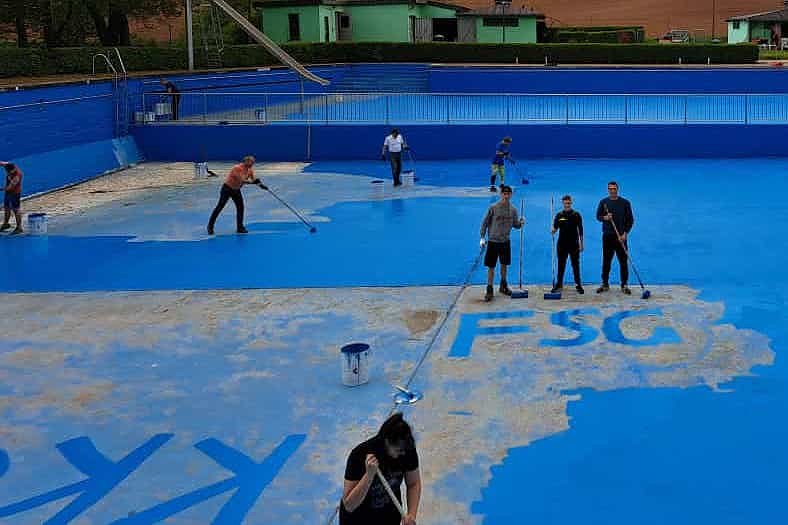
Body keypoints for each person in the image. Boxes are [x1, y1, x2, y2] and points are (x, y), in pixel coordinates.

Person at [340, 413, 421, 525]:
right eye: (398, 450)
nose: (403, 454)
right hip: (358, 519)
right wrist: (369, 475)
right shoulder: (359, 455)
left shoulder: (406, 450)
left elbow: (413, 483)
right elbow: (349, 505)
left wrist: (411, 515)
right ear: (387, 441)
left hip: (388, 517)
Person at [480, 185, 525, 302]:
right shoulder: (493, 207)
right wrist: (482, 237)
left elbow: (515, 225)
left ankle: (503, 285)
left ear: (511, 195)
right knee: (491, 266)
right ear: (501, 194)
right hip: (493, 241)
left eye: (508, 194)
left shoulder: (513, 210)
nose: (506, 196)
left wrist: (521, 223)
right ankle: (489, 289)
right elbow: (485, 223)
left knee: (504, 265)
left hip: (505, 241)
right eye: (504, 194)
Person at [207, 156, 266, 235]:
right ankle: (210, 227)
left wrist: (261, 185)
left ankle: (240, 228)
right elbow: (242, 180)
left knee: (240, 208)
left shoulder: (250, 170)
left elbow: (253, 179)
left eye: (253, 162)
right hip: (227, 189)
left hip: (236, 190)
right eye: (251, 162)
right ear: (246, 161)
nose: (252, 164)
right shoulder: (237, 168)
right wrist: (253, 183)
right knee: (220, 207)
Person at [595, 181, 635, 295]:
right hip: (608, 236)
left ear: (617, 189)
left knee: (623, 261)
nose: (612, 190)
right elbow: (598, 216)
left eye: (614, 188)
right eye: (610, 189)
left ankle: (624, 285)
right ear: (608, 190)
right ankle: (605, 284)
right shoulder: (604, 202)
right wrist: (605, 217)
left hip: (621, 237)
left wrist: (625, 234)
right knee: (606, 261)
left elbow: (630, 220)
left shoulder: (625, 203)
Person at [551, 195, 584, 294]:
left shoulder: (576, 215)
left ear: (571, 203)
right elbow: (555, 228)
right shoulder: (559, 216)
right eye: (565, 203)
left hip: (574, 244)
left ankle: (578, 284)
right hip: (562, 244)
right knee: (561, 265)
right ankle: (559, 284)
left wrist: (581, 244)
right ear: (563, 203)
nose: (567, 205)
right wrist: (553, 230)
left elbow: (581, 230)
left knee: (575, 265)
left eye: (569, 203)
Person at [1, 161, 23, 234]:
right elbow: (2, 163)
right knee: (6, 207)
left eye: (9, 172)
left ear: (13, 170)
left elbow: (9, 187)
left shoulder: (17, 176)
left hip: (15, 193)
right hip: (8, 193)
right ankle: (6, 224)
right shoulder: (8, 165)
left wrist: (1, 189)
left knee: (16, 209)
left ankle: (19, 227)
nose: (8, 173)